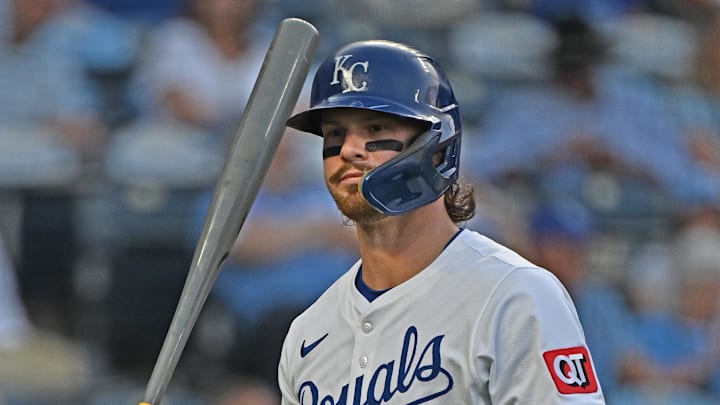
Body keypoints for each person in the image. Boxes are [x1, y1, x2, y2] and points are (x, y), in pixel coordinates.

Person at [277, 40, 605, 404]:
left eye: (374, 128)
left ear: (437, 148)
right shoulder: (307, 335)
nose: (348, 149)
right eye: (335, 133)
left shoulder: (515, 294)